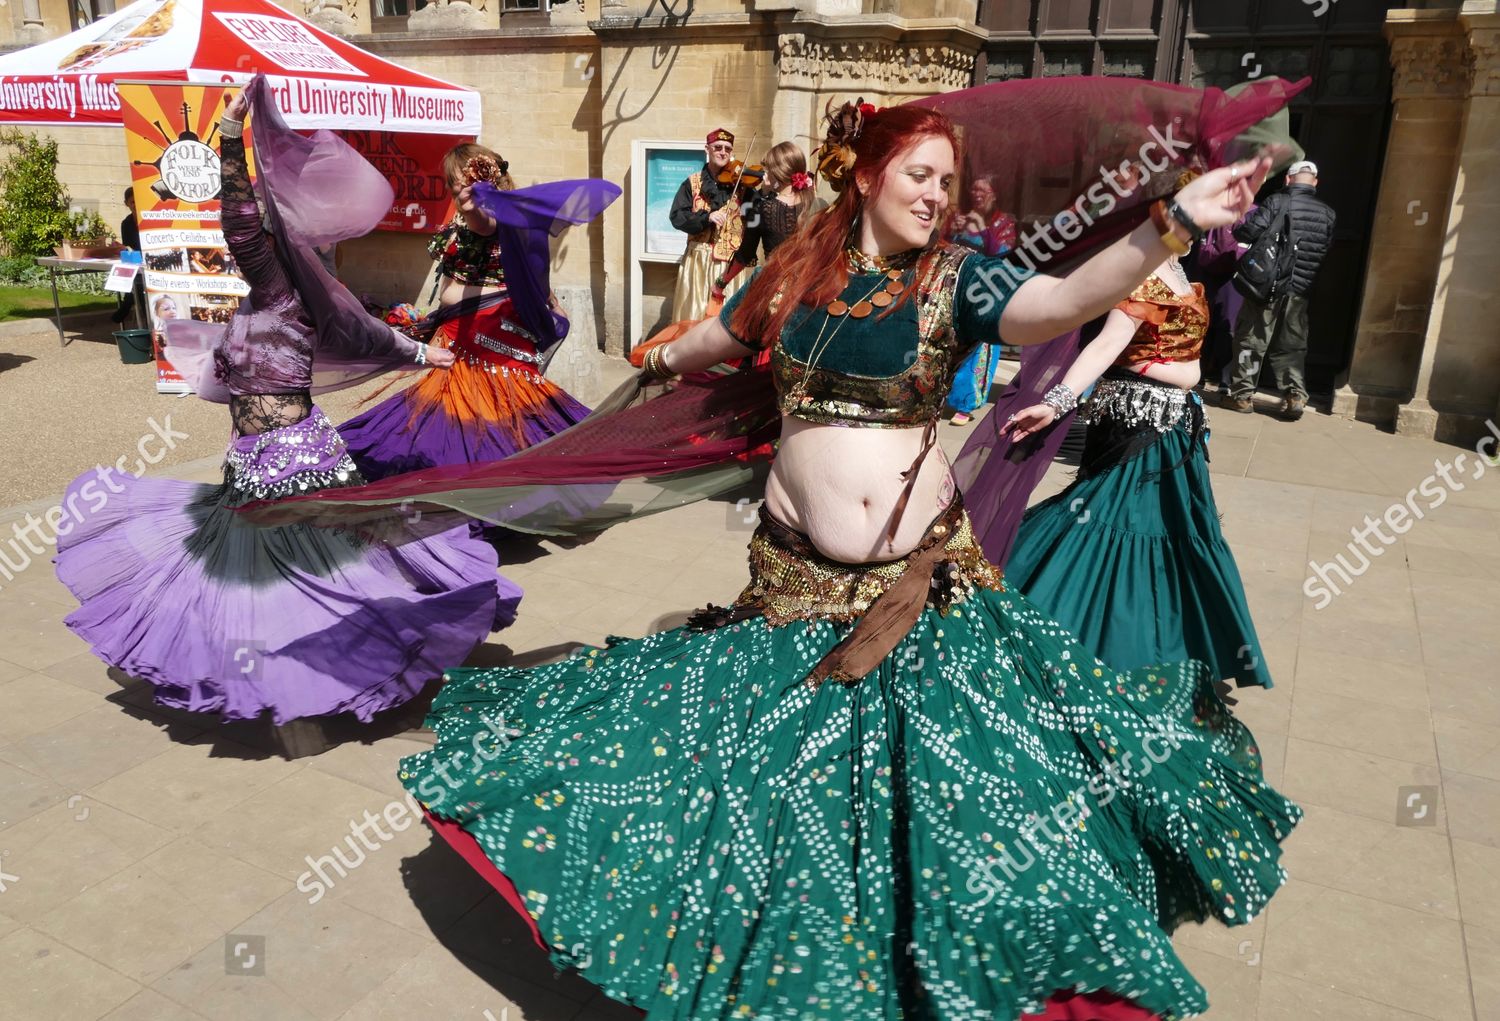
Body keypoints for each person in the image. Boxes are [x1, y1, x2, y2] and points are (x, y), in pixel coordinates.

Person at [395, 98, 1299, 1020]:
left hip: (920, 591)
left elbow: (1058, 303)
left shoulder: (954, 279)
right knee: (762, 796)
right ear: (867, 175)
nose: (935, 195)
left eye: (947, 182)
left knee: (950, 807)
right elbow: (715, 341)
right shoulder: (790, 275)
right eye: (919, 175)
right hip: (793, 588)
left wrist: (1174, 224)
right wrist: (657, 364)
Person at [53, 77, 520, 726]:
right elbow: (366, 335)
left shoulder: (275, 286)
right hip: (254, 456)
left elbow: (238, 219)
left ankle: (330, 671)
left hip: (290, 455)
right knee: (280, 579)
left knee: (305, 578)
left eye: (256, 240)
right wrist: (420, 354)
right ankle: (301, 670)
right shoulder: (275, 299)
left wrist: (225, 141)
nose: (245, 245)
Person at [1003, 221, 1274, 689]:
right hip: (1140, 421)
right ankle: (1056, 624)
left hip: (1176, 424)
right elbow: (1106, 344)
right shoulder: (1140, 276)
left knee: (1174, 528)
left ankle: (1166, 643)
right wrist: (1057, 402)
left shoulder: (1181, 274)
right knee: (1111, 522)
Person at [336, 143, 617, 480]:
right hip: (464, 345)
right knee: (453, 427)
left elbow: (485, 224)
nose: (458, 191)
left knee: (502, 424)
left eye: (464, 182)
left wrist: (475, 209)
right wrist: (500, 289)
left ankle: (500, 491)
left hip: (499, 345)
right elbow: (454, 287)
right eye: (453, 185)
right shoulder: (461, 233)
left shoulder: (511, 224)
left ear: (488, 179)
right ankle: (472, 489)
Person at [1223, 159, 1335, 420]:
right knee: (1292, 344)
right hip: (1300, 289)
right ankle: (1295, 395)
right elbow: (1324, 250)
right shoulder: (1328, 214)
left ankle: (1241, 396)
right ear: (1315, 183)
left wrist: (1239, 225)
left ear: (1287, 179)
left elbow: (1249, 232)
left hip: (1267, 285)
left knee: (1251, 339)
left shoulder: (1276, 202)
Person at [944, 174, 1018, 424]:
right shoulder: (959, 218)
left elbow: (1004, 254)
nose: (977, 194)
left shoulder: (1003, 223)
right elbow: (942, 245)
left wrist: (983, 230)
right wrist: (953, 233)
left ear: (994, 195)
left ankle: (967, 403)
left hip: (986, 288)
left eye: (983, 191)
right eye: (974, 189)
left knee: (980, 348)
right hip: (954, 284)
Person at [708, 140, 814, 307]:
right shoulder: (819, 204)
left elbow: (746, 253)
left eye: (768, 170)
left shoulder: (761, 208)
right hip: (811, 290)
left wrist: (721, 283)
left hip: (776, 292)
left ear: (778, 172)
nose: (764, 174)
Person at [667, 128, 747, 322]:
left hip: (729, 262)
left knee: (727, 319)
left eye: (728, 149)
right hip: (699, 260)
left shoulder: (741, 184)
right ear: (707, 149)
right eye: (717, 147)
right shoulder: (692, 183)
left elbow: (754, 217)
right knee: (695, 314)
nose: (723, 152)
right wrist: (706, 218)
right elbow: (677, 216)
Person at [111, 187, 142, 324]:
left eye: (138, 201)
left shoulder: (149, 218)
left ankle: (127, 304)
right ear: (127, 203)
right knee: (127, 272)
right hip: (136, 260)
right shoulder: (126, 223)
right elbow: (128, 246)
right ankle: (129, 302)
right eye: (132, 202)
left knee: (138, 284)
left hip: (149, 259)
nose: (136, 205)